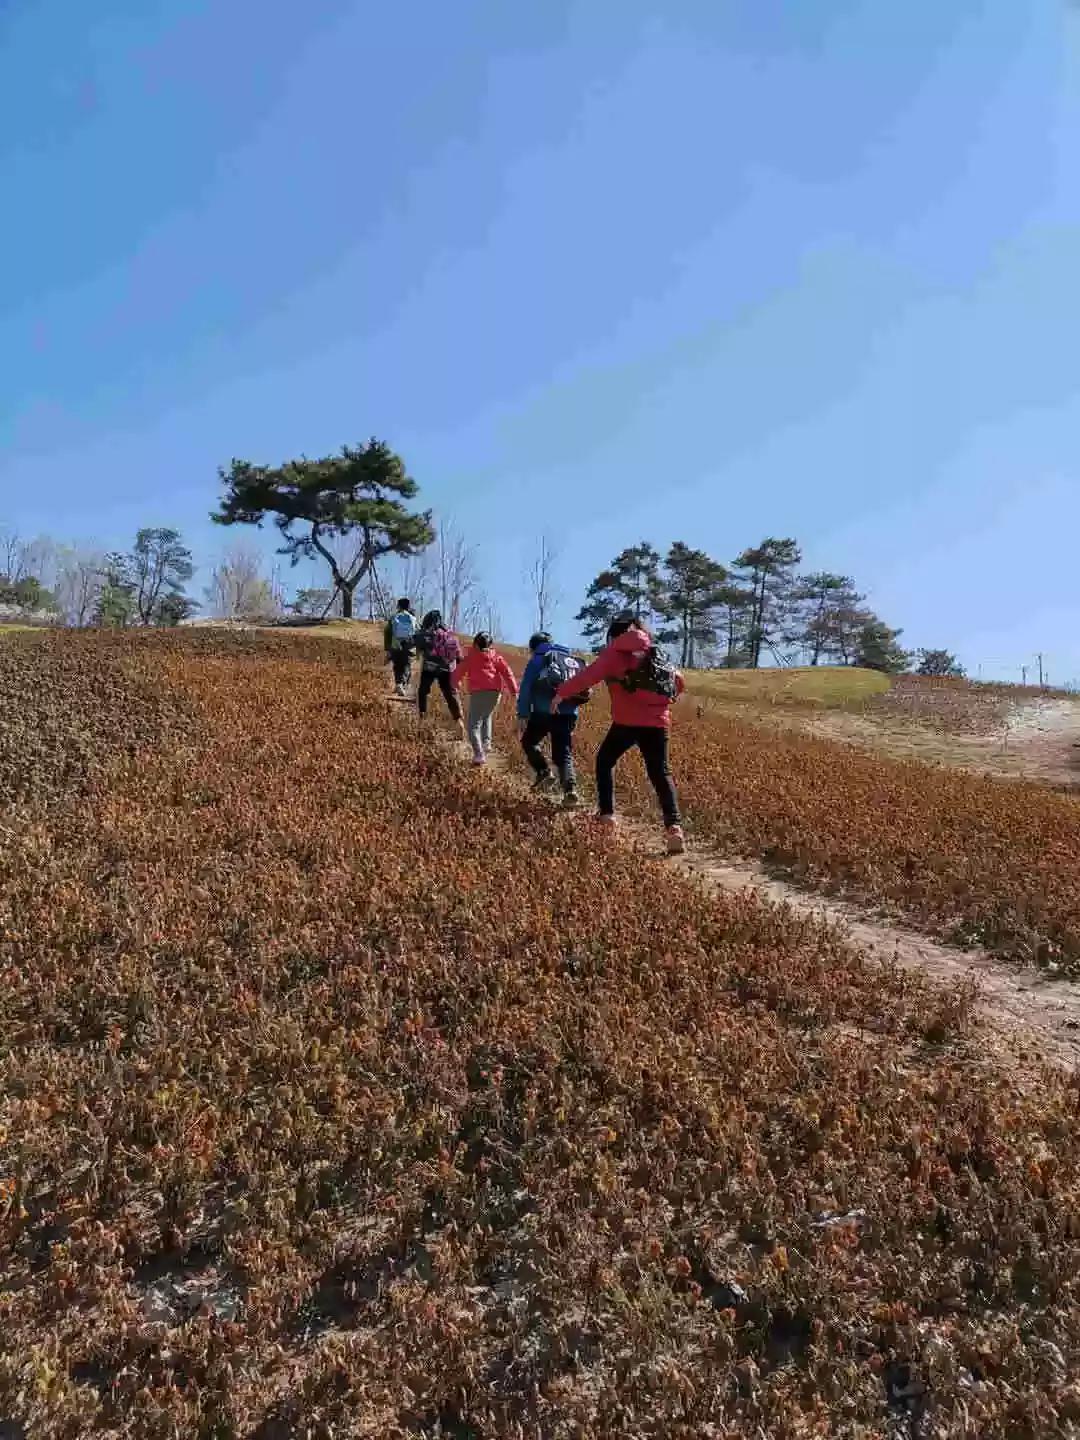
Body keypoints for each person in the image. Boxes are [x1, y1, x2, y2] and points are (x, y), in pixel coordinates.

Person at [553, 612, 686, 853]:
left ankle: (607, 816)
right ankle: (674, 827)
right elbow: (678, 681)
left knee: (604, 761)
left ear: (614, 635)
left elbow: (587, 677)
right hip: (657, 723)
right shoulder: (655, 650)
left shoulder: (614, 654)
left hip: (626, 722)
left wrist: (561, 693)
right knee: (661, 773)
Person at [517, 632, 586, 808]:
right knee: (563, 752)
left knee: (529, 742)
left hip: (543, 712)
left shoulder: (537, 660)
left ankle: (544, 772)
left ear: (534, 647)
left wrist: (522, 714)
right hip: (569, 713)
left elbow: (525, 688)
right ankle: (570, 791)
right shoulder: (568, 659)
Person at [451, 632, 519, 764]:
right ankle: (486, 743)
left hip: (478, 692)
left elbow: (458, 672)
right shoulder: (496, 657)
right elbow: (507, 672)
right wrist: (514, 691)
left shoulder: (471, 656)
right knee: (487, 716)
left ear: (475, 643)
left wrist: (453, 684)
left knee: (473, 725)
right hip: (495, 692)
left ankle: (478, 754)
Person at [414, 610, 465, 731]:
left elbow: (415, 643)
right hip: (446, 668)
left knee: (423, 691)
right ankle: (459, 722)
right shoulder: (450, 635)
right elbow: (459, 658)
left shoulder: (426, 633)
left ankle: (422, 719)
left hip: (429, 667)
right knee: (450, 695)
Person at [383, 597, 418, 696]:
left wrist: (388, 648)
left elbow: (387, 631)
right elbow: (417, 632)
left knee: (397, 666)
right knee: (406, 666)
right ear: (408, 607)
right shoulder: (412, 618)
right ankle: (401, 684)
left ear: (398, 606)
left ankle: (399, 684)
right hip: (408, 646)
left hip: (395, 645)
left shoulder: (394, 617)